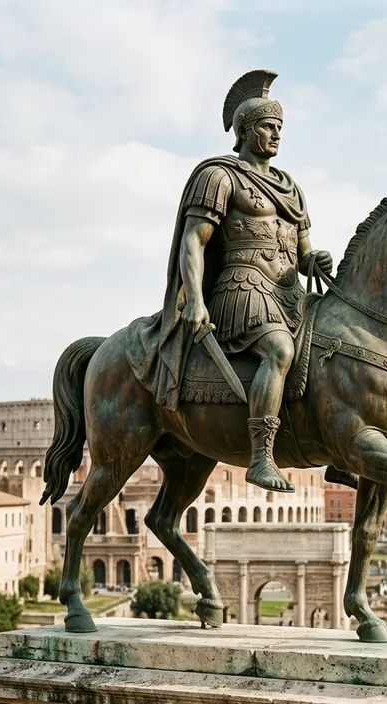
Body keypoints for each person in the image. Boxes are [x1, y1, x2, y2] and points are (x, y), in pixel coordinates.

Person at [150, 69, 332, 492]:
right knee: (280, 349)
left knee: (337, 348)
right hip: (242, 289)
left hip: (290, 292)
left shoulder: (292, 189)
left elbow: (303, 256)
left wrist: (316, 260)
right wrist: (193, 298)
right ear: (246, 131)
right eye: (268, 127)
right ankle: (261, 457)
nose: (276, 135)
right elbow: (194, 241)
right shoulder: (220, 176)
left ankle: (339, 451)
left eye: (280, 128)